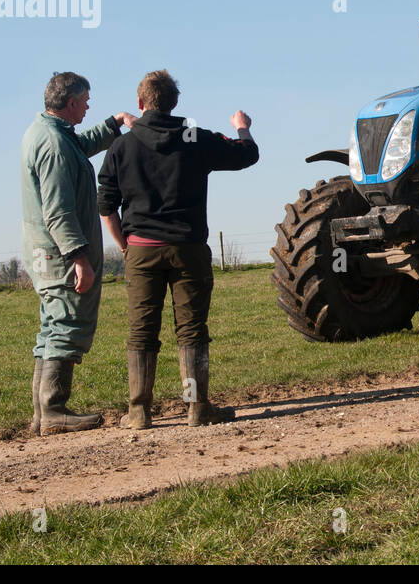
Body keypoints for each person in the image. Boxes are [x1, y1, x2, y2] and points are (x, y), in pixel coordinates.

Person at [97, 70, 259, 429]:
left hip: (140, 250)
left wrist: (125, 245)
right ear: (174, 104)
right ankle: (196, 408)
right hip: (188, 249)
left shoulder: (121, 146)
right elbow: (247, 154)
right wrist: (242, 126)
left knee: (142, 331)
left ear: (140, 104)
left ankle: (139, 412)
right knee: (191, 330)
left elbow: (106, 203)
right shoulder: (194, 138)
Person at [21, 72, 137, 434]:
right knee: (67, 323)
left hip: (43, 252)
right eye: (86, 99)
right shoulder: (54, 146)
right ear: (71, 102)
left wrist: (113, 124)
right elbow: (58, 212)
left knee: (51, 325)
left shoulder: (46, 132)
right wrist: (79, 259)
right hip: (61, 255)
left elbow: (79, 145)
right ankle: (53, 409)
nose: (89, 105)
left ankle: (43, 413)